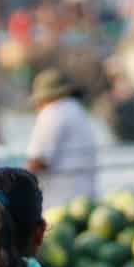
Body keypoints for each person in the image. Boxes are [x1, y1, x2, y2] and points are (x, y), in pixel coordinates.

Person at [25, 69, 100, 211]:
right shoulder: (77, 109)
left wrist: (14, 188)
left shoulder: (52, 113)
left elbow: (38, 161)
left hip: (60, 204)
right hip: (85, 200)